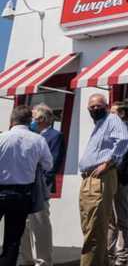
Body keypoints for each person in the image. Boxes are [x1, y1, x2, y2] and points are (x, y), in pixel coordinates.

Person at [77, 94, 128, 266]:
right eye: (91, 107)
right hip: (90, 179)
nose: (94, 109)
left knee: (94, 229)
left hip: (100, 178)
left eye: (97, 106)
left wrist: (108, 163)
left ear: (106, 106)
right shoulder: (100, 125)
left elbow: (124, 140)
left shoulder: (112, 119)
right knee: (92, 227)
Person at [0, 106, 53, 266]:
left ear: (12, 120)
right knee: (13, 240)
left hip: (1, 189)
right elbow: (48, 165)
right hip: (23, 193)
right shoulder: (38, 140)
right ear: (30, 120)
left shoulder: (2, 138)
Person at [19, 103, 65, 266]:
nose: (31, 120)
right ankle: (27, 259)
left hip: (40, 188)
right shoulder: (28, 135)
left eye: (33, 116)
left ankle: (44, 260)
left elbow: (52, 165)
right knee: (23, 226)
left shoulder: (55, 136)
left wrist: (41, 187)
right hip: (23, 187)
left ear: (42, 119)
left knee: (40, 225)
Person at [107, 102, 128, 266]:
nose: (109, 115)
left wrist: (124, 177)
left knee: (122, 219)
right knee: (110, 219)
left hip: (122, 180)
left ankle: (121, 256)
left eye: (113, 112)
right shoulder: (110, 130)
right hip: (108, 179)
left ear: (121, 113)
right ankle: (109, 253)